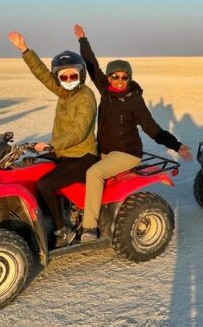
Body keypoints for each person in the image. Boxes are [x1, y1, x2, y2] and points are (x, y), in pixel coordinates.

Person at [73, 24, 193, 242]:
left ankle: (89, 227)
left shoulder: (135, 101)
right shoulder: (105, 91)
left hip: (127, 153)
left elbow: (152, 129)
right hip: (104, 151)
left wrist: (177, 145)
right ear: (109, 78)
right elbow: (92, 66)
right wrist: (83, 41)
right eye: (115, 76)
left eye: (124, 77)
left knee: (94, 174)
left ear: (129, 78)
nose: (119, 81)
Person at [8, 31, 98, 248]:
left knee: (46, 184)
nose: (68, 80)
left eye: (73, 76)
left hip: (82, 156)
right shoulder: (65, 93)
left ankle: (62, 230)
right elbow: (43, 75)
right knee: (26, 166)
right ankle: (40, 217)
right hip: (64, 152)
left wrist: (52, 145)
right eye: (63, 77)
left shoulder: (86, 97)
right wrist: (25, 50)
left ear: (81, 75)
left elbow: (79, 129)